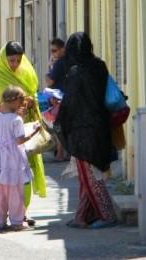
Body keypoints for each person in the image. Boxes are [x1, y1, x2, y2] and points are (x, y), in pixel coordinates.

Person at [54, 32, 117, 229]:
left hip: (82, 132)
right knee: (88, 175)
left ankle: (107, 215)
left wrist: (57, 119)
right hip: (101, 126)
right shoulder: (100, 66)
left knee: (90, 177)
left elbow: (71, 103)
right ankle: (82, 215)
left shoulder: (75, 72)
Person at [0, 41, 46, 226]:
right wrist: (6, 110)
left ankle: (22, 213)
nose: (15, 64)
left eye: (18, 60)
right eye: (11, 60)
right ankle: (0, 216)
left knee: (23, 176)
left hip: (21, 130)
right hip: (2, 138)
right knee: (2, 182)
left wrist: (29, 103)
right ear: (3, 58)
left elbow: (33, 94)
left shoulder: (27, 71)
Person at [0, 86, 41, 231]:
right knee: (16, 190)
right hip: (14, 157)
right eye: (21, 100)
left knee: (0, 191)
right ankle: (17, 222)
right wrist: (34, 132)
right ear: (15, 101)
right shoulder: (16, 119)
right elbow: (19, 140)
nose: (23, 104)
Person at [45, 38, 66, 161]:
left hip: (59, 98)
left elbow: (50, 81)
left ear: (62, 49)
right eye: (52, 51)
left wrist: (47, 75)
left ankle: (60, 153)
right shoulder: (69, 60)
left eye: (55, 51)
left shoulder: (59, 63)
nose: (53, 54)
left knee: (58, 125)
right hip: (69, 96)